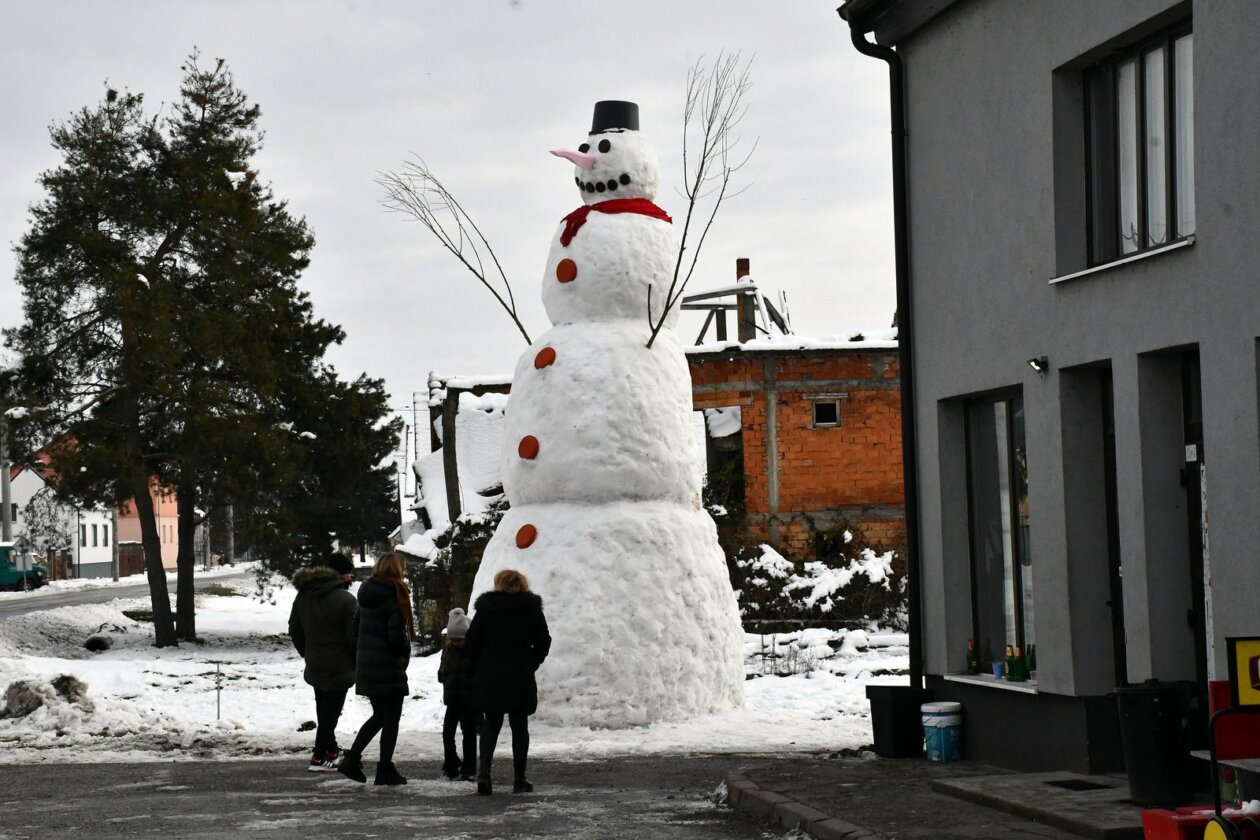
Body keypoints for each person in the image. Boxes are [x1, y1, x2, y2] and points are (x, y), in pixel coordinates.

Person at [465, 569, 551, 795]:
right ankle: (519, 778)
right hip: (520, 674)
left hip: (490, 674)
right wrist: (532, 662)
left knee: (491, 724)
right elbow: (543, 641)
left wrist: (479, 666)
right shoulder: (531, 609)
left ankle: (484, 775)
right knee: (519, 725)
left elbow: (472, 642)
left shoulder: (486, 609)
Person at [338, 553, 414, 786]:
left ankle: (352, 759)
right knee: (391, 719)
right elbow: (396, 635)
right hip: (387, 666)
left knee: (380, 715)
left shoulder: (366, 593)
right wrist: (403, 656)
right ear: (396, 570)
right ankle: (384, 768)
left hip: (368, 664)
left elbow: (356, 627)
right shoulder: (394, 594)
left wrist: (363, 654)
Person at [288, 553, 358, 772]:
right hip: (340, 664)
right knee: (331, 712)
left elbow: (294, 628)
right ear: (340, 574)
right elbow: (353, 636)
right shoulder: (347, 600)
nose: (351, 577)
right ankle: (319, 756)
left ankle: (331, 750)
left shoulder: (304, 595)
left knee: (323, 708)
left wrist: (307, 652)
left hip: (315, 662)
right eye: (348, 573)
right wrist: (355, 659)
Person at [437, 607, 479, 781]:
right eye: (453, 640)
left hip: (470, 700)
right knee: (448, 733)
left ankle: (469, 768)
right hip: (453, 699)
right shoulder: (448, 650)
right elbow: (441, 673)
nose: (457, 643)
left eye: (460, 639)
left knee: (468, 733)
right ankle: (451, 762)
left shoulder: (474, 650)